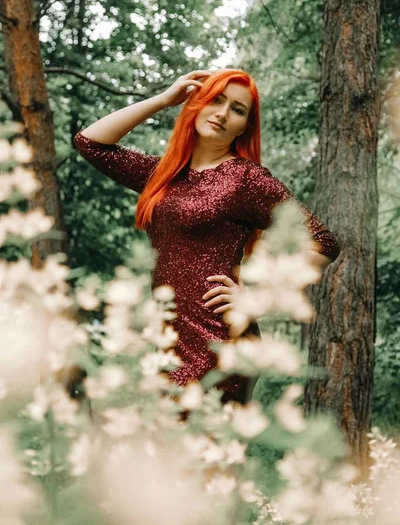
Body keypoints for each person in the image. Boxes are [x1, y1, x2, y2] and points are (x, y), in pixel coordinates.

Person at [73, 69, 340, 405]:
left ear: (244, 127)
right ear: (196, 104)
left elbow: (322, 241)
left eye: (237, 109)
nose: (223, 113)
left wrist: (259, 298)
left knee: (206, 453)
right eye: (215, 100)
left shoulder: (245, 179)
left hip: (218, 343)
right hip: (165, 341)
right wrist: (164, 100)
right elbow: (90, 143)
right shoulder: (163, 175)